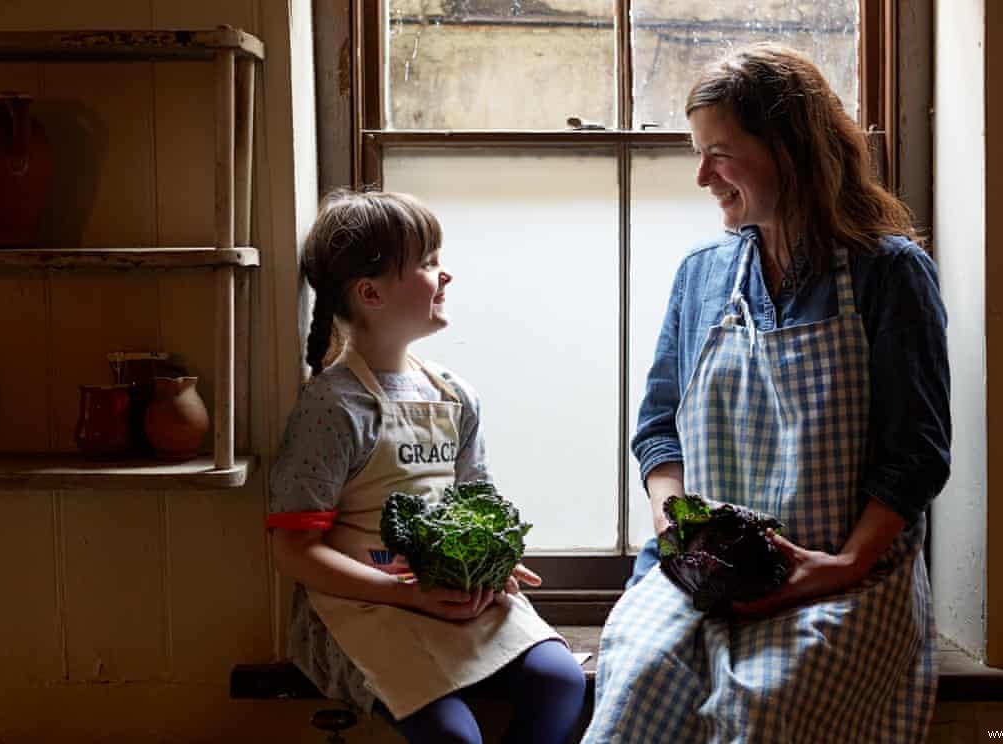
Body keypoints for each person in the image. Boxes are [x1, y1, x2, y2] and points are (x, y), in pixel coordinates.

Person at [584, 43, 951, 743]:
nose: (701, 176)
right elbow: (658, 428)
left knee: (768, 709)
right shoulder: (702, 276)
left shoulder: (889, 273)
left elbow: (917, 455)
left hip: (843, 579)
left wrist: (840, 565)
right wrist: (674, 526)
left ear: (791, 148)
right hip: (700, 575)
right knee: (633, 689)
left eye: (718, 152)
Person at [267, 189, 586, 744]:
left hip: (449, 597)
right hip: (364, 607)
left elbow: (478, 507)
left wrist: (494, 567)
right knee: (454, 736)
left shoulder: (455, 394)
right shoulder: (333, 407)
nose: (446, 276)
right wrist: (407, 594)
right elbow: (295, 552)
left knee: (560, 680)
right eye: (429, 263)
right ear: (370, 293)